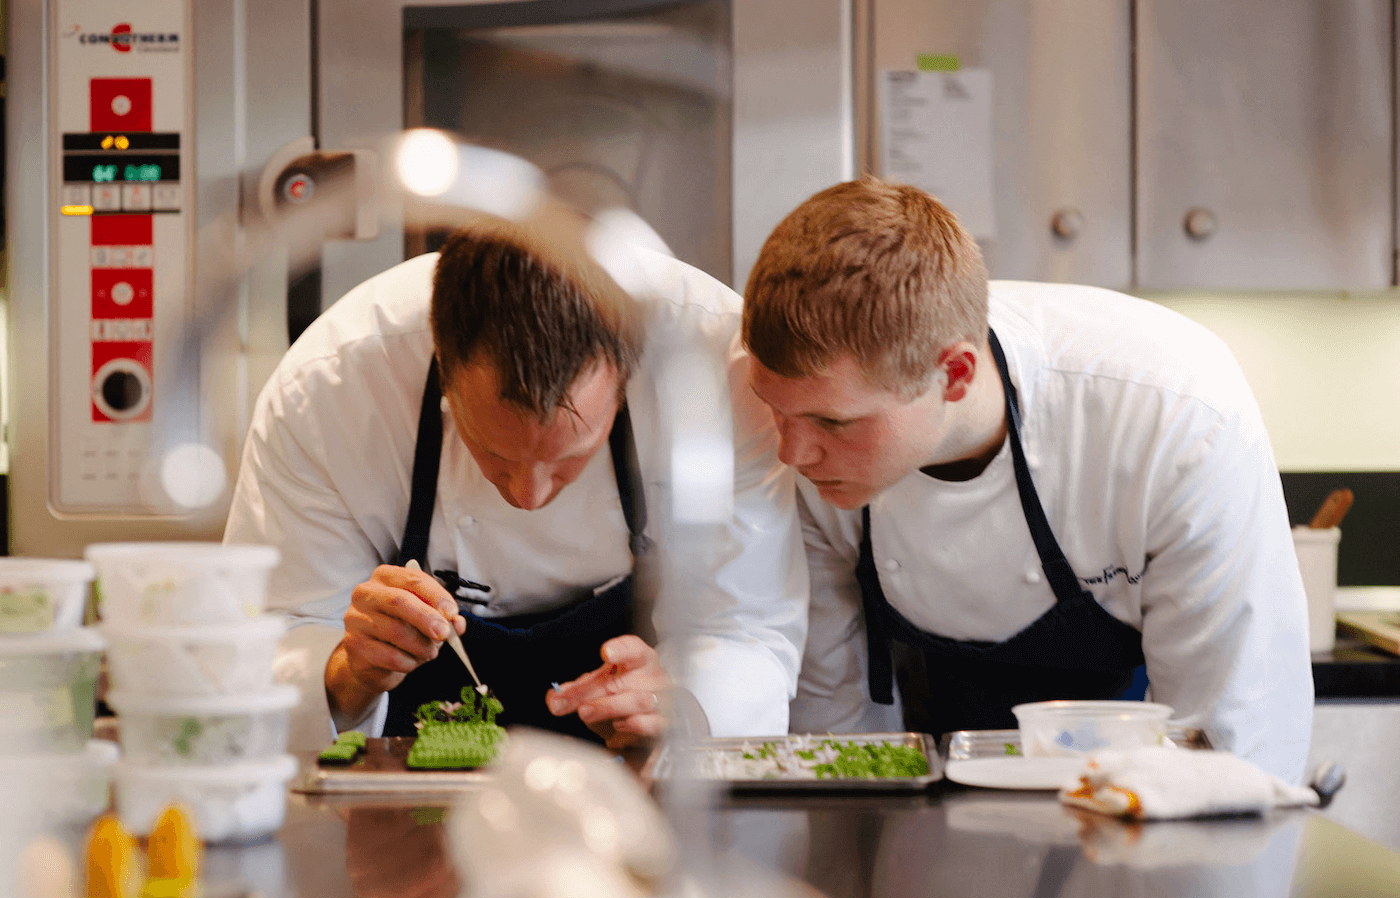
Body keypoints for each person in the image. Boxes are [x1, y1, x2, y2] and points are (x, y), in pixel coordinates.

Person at [740, 176, 1313, 782]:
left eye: (834, 421)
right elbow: (833, 730)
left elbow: (1231, 750)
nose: (792, 452)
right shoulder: (802, 428)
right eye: (777, 410)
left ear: (955, 375)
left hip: (1135, 793)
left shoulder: (1170, 418)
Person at [224, 210, 806, 752]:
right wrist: (348, 670)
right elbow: (271, 644)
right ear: (442, 367)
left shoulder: (713, 372)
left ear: (627, 373)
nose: (529, 497)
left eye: (568, 458)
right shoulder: (330, 390)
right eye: (494, 454)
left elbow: (745, 626)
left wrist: (687, 703)